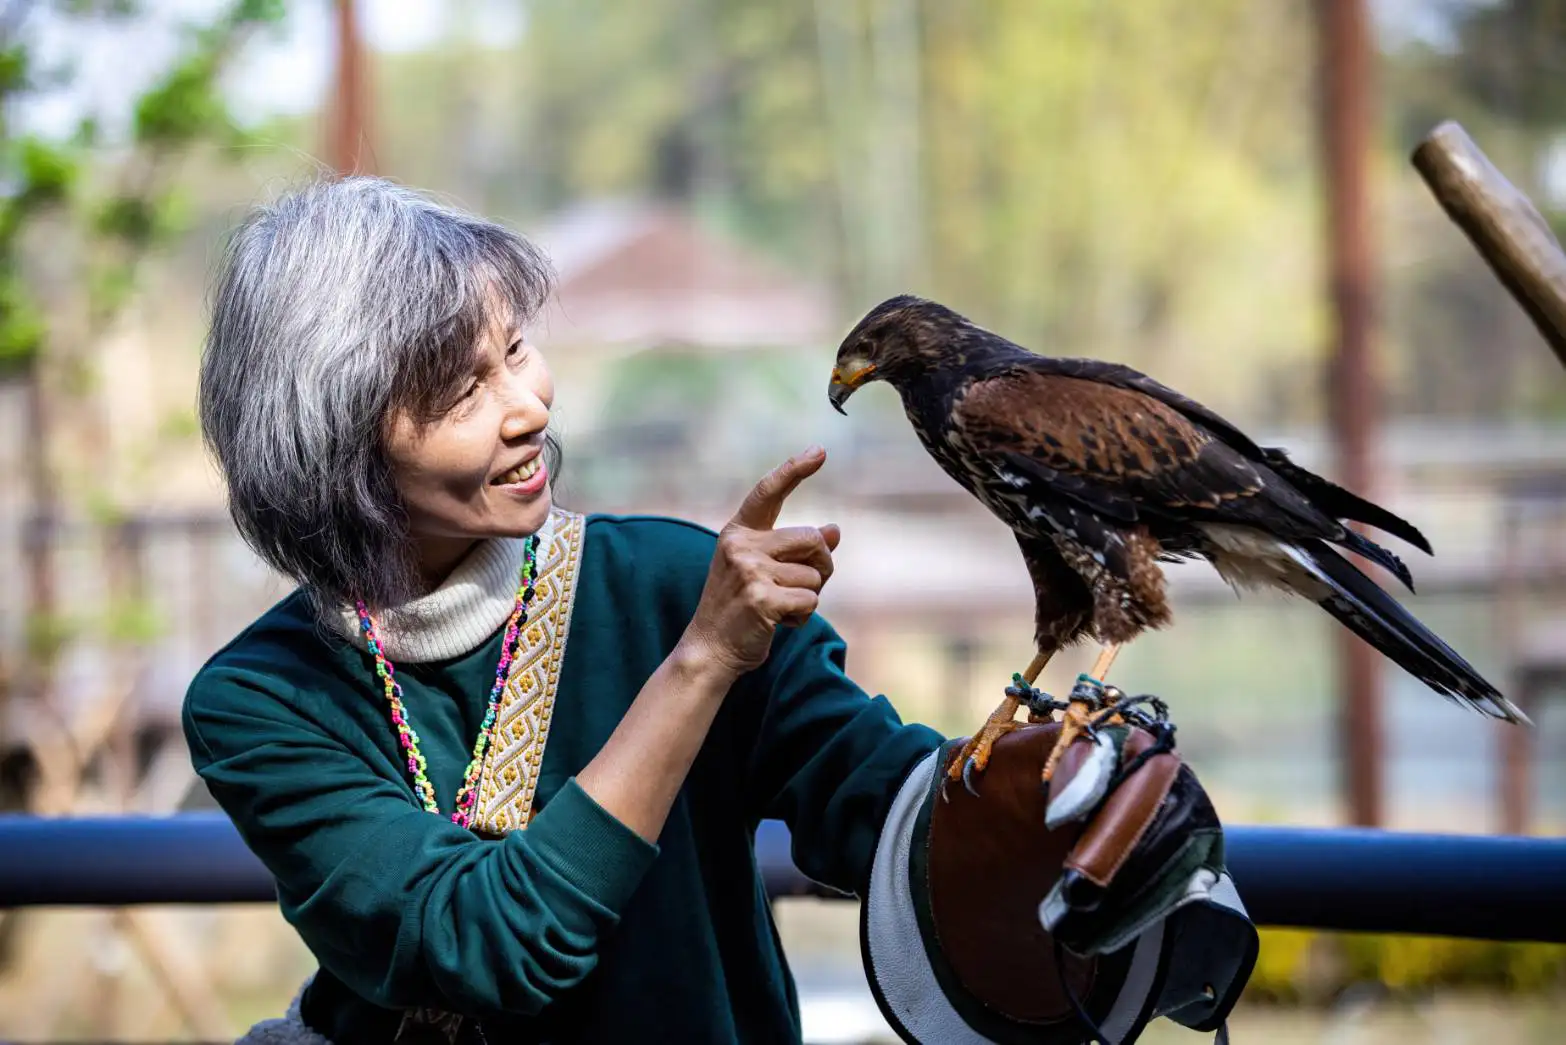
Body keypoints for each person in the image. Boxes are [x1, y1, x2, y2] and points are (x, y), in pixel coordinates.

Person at [186, 176, 1253, 1045]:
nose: (529, 406)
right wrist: (702, 660)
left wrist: (1047, 804)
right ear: (334, 448)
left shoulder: (667, 579)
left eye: (515, 350)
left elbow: (874, 801)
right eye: (463, 392)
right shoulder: (262, 701)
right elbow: (486, 940)